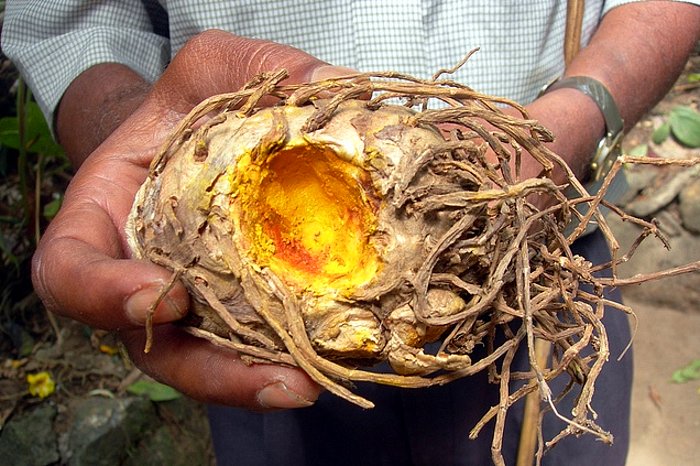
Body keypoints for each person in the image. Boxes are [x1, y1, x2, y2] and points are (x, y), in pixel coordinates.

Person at [2, 1, 699, 464]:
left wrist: (578, 113)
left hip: (538, 280)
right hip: (256, 337)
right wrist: (132, 129)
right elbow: (74, 18)